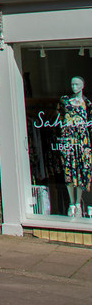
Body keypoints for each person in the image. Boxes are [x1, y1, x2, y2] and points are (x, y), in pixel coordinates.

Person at [57, 76, 92, 218]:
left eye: (77, 84)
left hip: (82, 142)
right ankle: (71, 203)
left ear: (83, 85)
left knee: (82, 171)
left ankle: (78, 203)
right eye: (72, 84)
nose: (74, 86)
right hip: (68, 141)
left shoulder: (87, 103)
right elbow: (58, 119)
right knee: (69, 170)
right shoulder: (64, 101)